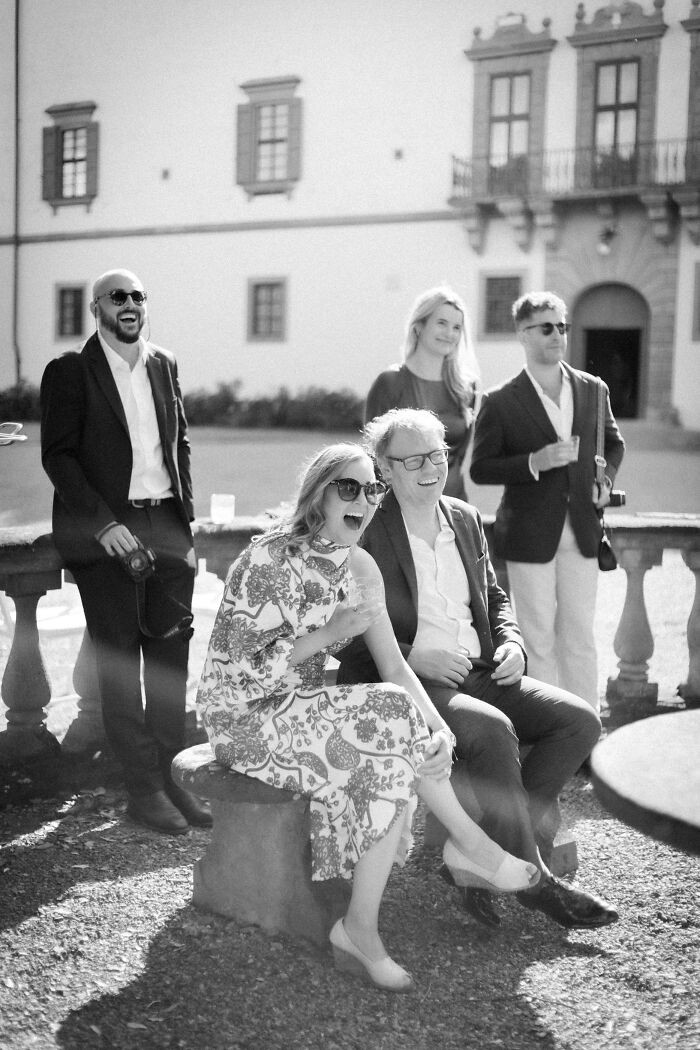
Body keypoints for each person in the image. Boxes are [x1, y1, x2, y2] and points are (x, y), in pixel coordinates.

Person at [196, 443, 538, 992]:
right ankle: (470, 850)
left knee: (392, 751)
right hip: (242, 716)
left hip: (300, 708)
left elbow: (396, 668)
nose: (364, 499)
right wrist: (331, 633)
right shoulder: (267, 559)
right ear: (319, 495)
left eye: (372, 489)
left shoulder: (359, 567)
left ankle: (362, 927)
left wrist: (441, 731)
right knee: (390, 735)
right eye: (349, 487)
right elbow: (240, 671)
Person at [337, 408, 619, 931]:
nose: (431, 468)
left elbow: (493, 595)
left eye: (437, 455)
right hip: (410, 684)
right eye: (414, 460)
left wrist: (512, 642)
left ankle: (484, 852)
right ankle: (535, 881)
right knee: (492, 729)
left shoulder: (464, 517)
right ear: (385, 468)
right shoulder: (365, 527)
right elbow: (338, 628)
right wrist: (409, 654)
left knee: (580, 721)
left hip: (484, 669)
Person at [40, 268, 209, 835]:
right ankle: (142, 791)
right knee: (119, 665)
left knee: (169, 665)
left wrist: (185, 524)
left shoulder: (164, 363)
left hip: (166, 525)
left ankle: (174, 781)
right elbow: (59, 456)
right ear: (97, 309)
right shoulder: (69, 371)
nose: (130, 303)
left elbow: (180, 443)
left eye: (138, 295)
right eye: (118, 297)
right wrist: (102, 524)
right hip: (107, 532)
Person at [470, 291, 625, 709]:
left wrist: (606, 479)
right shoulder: (499, 400)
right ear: (523, 334)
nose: (557, 335)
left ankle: (586, 724)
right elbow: (480, 469)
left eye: (562, 326)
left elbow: (614, 444)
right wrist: (533, 462)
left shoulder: (593, 389)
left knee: (580, 635)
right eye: (546, 327)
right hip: (528, 533)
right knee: (536, 638)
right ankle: (548, 725)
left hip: (583, 528)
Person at [364, 286, 478, 500]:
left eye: (457, 327)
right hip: (402, 503)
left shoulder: (466, 386)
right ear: (418, 327)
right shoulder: (390, 382)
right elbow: (374, 457)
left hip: (453, 502)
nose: (450, 334)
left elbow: (460, 457)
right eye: (441, 323)